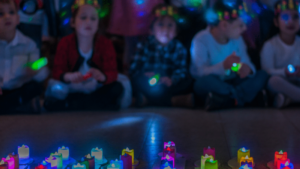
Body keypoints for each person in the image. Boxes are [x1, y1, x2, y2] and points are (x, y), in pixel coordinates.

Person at [44, 0, 124, 111]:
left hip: (95, 86)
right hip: (71, 86)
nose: (88, 22)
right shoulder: (65, 42)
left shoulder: (106, 44)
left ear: (98, 23)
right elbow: (57, 70)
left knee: (117, 87)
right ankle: (92, 104)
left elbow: (112, 72)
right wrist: (68, 76)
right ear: (73, 22)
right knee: (55, 87)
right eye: (83, 18)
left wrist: (102, 76)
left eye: (93, 19)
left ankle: (73, 104)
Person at [190, 0, 268, 111]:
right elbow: (199, 72)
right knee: (201, 84)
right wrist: (223, 66)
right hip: (215, 81)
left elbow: (247, 63)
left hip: (233, 80)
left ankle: (226, 100)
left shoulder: (238, 39)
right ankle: (241, 97)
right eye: (240, 25)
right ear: (224, 25)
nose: (245, 29)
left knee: (262, 75)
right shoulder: (201, 39)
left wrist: (247, 69)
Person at [129, 4, 194, 108]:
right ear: (151, 30)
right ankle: (173, 101)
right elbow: (134, 68)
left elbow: (182, 70)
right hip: (149, 82)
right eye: (160, 24)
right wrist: (145, 75)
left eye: (170, 25)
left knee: (188, 82)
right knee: (136, 81)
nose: (165, 29)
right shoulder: (144, 45)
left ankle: (147, 100)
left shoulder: (179, 47)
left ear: (176, 31)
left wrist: (171, 79)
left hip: (168, 83)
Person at [0, 0, 49, 113]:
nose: (7, 17)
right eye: (1, 14)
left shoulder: (28, 44)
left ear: (18, 19)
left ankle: (10, 105)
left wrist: (33, 69)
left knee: (34, 87)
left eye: (11, 12)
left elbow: (41, 64)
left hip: (19, 88)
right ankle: (15, 106)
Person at [261, 0, 300, 108]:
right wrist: (285, 72)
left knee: (282, 94)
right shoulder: (270, 45)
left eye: (296, 17)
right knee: (273, 81)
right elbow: (267, 71)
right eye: (285, 17)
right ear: (276, 22)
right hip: (281, 82)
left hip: (297, 82)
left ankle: (289, 99)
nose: (291, 21)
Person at [107, 0, 164, 72]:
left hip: (147, 10)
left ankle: (145, 71)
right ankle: (129, 72)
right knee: (131, 45)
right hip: (131, 11)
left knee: (147, 44)